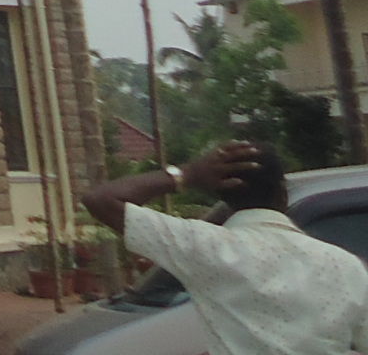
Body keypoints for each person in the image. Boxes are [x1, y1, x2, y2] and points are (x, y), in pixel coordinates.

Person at [80, 139, 368, 355]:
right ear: (282, 192)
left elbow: (101, 199)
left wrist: (187, 174)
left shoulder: (204, 248)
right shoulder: (346, 266)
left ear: (220, 193)